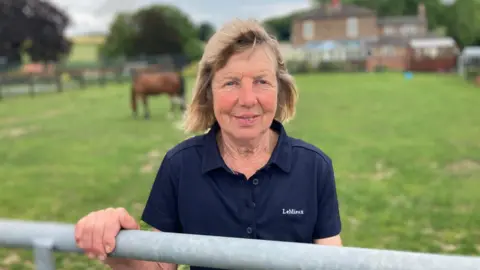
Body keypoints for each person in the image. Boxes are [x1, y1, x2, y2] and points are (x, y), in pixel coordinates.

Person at [74, 18, 343, 270]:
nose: (247, 99)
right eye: (231, 83)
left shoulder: (314, 166)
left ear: (279, 89)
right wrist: (115, 242)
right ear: (208, 92)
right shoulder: (180, 165)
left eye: (261, 81)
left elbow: (333, 264)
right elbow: (160, 266)